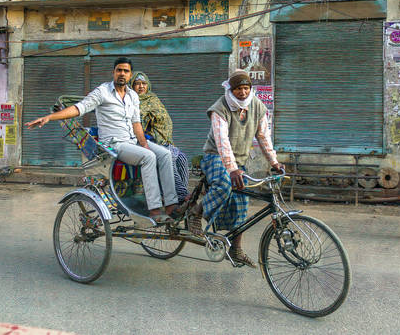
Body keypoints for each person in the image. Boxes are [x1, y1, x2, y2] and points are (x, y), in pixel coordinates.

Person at [25, 57, 179, 223]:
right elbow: (79, 108)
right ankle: (155, 210)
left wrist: (145, 145)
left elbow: (137, 124)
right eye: (119, 70)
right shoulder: (102, 92)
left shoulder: (133, 96)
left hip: (133, 142)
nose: (122, 73)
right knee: (149, 157)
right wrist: (49, 117)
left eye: (125, 71)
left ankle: (171, 206)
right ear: (113, 72)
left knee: (165, 154)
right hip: (114, 145)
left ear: (130, 75)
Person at [194, 70, 283, 268]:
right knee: (224, 184)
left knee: (243, 200)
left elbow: (263, 136)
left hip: (239, 161)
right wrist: (232, 169)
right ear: (231, 89)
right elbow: (222, 141)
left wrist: (274, 162)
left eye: (246, 88)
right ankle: (196, 211)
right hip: (214, 156)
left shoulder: (257, 106)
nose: (242, 92)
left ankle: (236, 248)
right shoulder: (220, 108)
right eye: (238, 89)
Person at [130, 71, 190, 204]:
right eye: (137, 84)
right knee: (170, 160)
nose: (141, 87)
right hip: (150, 141)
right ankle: (181, 195)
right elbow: (137, 123)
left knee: (182, 158)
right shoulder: (132, 101)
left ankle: (181, 194)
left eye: (144, 84)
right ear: (131, 86)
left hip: (165, 141)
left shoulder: (153, 98)